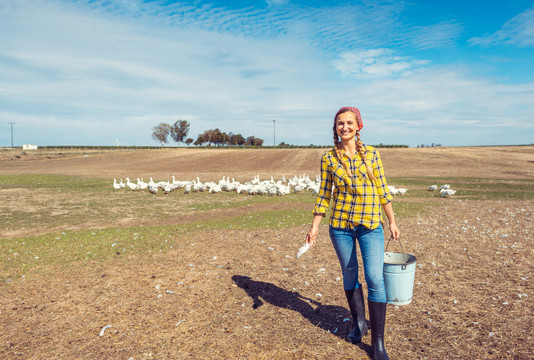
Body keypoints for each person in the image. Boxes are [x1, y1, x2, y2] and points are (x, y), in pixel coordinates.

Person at [305, 106, 400, 360]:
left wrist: (391, 220)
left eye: (349, 123)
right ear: (335, 128)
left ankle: (378, 343)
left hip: (370, 224)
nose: (344, 127)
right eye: (339, 124)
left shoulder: (372, 154)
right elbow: (324, 194)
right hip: (340, 227)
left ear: (359, 125)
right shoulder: (329, 159)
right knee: (349, 275)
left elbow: (382, 188)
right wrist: (314, 226)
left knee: (375, 279)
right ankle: (358, 325)